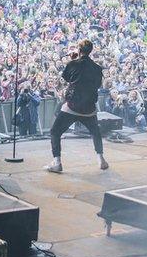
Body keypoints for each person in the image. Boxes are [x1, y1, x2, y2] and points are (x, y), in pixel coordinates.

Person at [44, 40, 108, 173]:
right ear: (91, 50)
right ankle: (101, 159)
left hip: (73, 106)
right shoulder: (97, 68)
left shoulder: (73, 64)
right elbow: (97, 85)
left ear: (79, 50)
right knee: (95, 132)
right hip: (89, 107)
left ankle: (57, 162)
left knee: (55, 132)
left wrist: (73, 60)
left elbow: (67, 78)